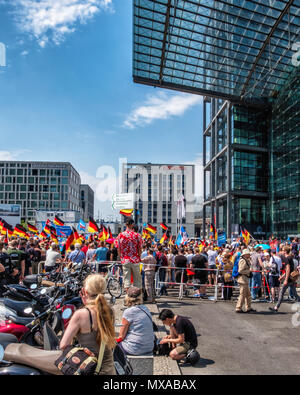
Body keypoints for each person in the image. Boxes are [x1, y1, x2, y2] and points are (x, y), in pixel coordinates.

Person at [60, 274, 116, 375]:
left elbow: (64, 345)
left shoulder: (81, 314)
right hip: (109, 370)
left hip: (89, 369)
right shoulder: (110, 311)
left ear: (85, 292)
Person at [118, 287, 154, 356]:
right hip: (149, 347)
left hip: (134, 348)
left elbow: (121, 336)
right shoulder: (146, 308)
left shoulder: (128, 312)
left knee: (111, 350)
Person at [269, 246, 300, 313]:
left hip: (289, 279)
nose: (282, 252)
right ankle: (276, 307)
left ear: (285, 251)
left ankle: (276, 307)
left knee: (281, 292)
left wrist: (285, 279)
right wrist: (282, 277)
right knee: (295, 294)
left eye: (283, 250)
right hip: (291, 278)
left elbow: (288, 269)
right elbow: (288, 270)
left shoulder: (287, 258)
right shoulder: (289, 258)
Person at [116, 218, 143, 294]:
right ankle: (137, 297)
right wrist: (139, 257)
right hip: (135, 259)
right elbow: (139, 249)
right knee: (137, 280)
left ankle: (128, 297)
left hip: (125, 260)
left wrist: (120, 257)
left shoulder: (120, 235)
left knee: (127, 280)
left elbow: (118, 248)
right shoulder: (137, 235)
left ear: (125, 224)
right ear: (132, 225)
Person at [235, 249, 256, 313]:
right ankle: (238, 308)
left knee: (247, 295)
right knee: (243, 294)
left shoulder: (246, 260)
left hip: (245, 279)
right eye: (248, 254)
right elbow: (240, 271)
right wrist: (249, 271)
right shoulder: (243, 261)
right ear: (245, 255)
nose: (249, 255)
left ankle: (248, 307)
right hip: (242, 279)